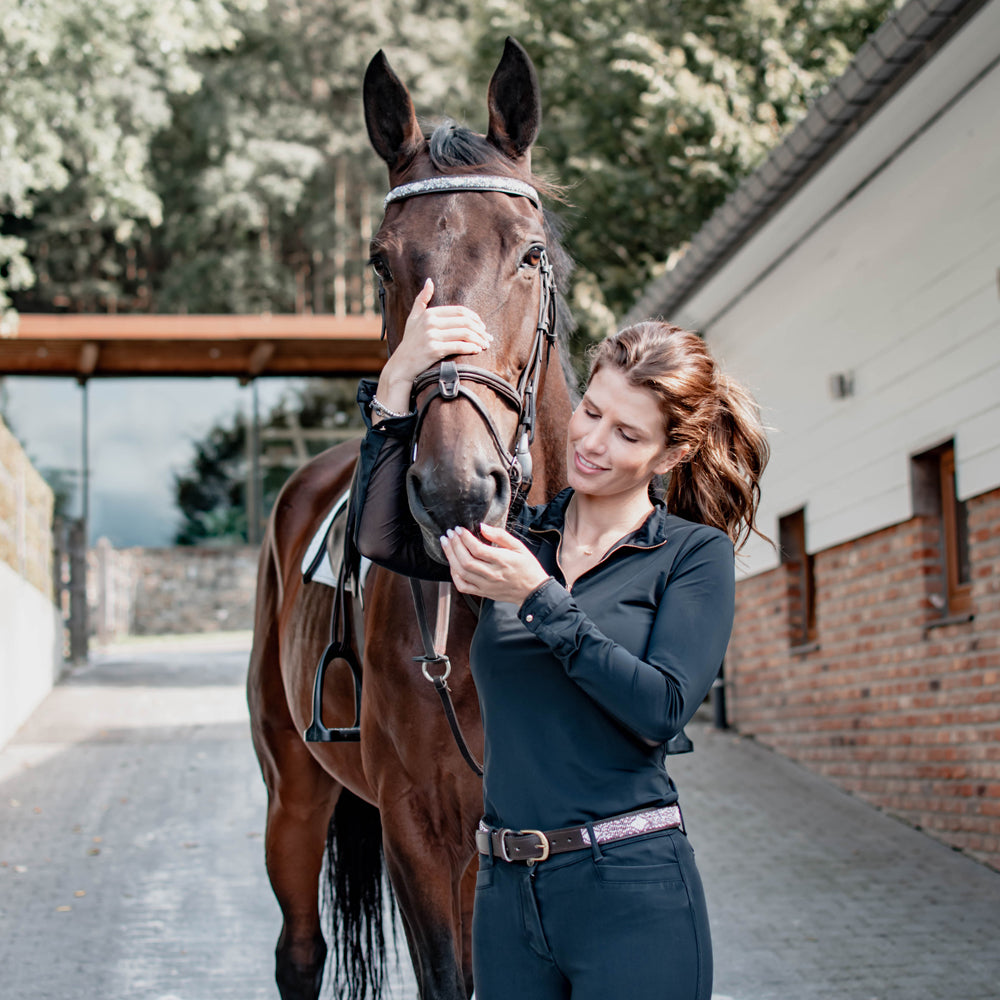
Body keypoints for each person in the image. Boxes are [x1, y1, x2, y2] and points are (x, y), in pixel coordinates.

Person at [352, 276, 769, 1000]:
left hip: (631, 887)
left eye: (627, 434)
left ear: (668, 457)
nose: (593, 443)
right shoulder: (518, 538)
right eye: (591, 412)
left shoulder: (688, 555)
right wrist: (397, 379)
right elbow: (383, 537)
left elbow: (661, 710)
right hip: (507, 894)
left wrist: (539, 600)